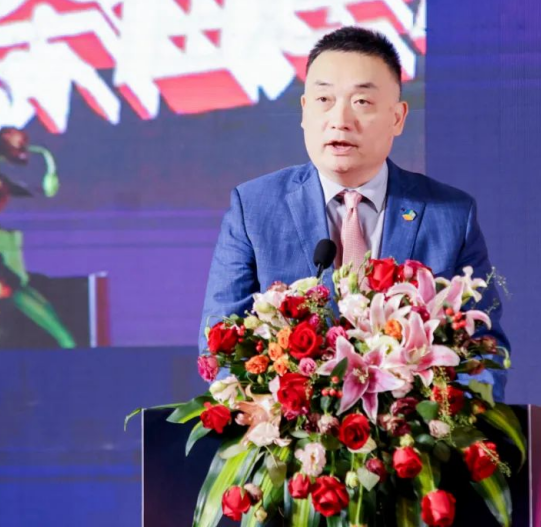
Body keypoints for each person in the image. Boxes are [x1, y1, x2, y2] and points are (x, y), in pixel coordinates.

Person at [199, 26, 509, 401]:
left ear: (397, 117)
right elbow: (221, 345)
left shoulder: (450, 216)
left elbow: (483, 352)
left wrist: (444, 419)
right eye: (324, 99)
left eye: (361, 101)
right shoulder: (254, 208)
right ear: (304, 111)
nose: (340, 119)